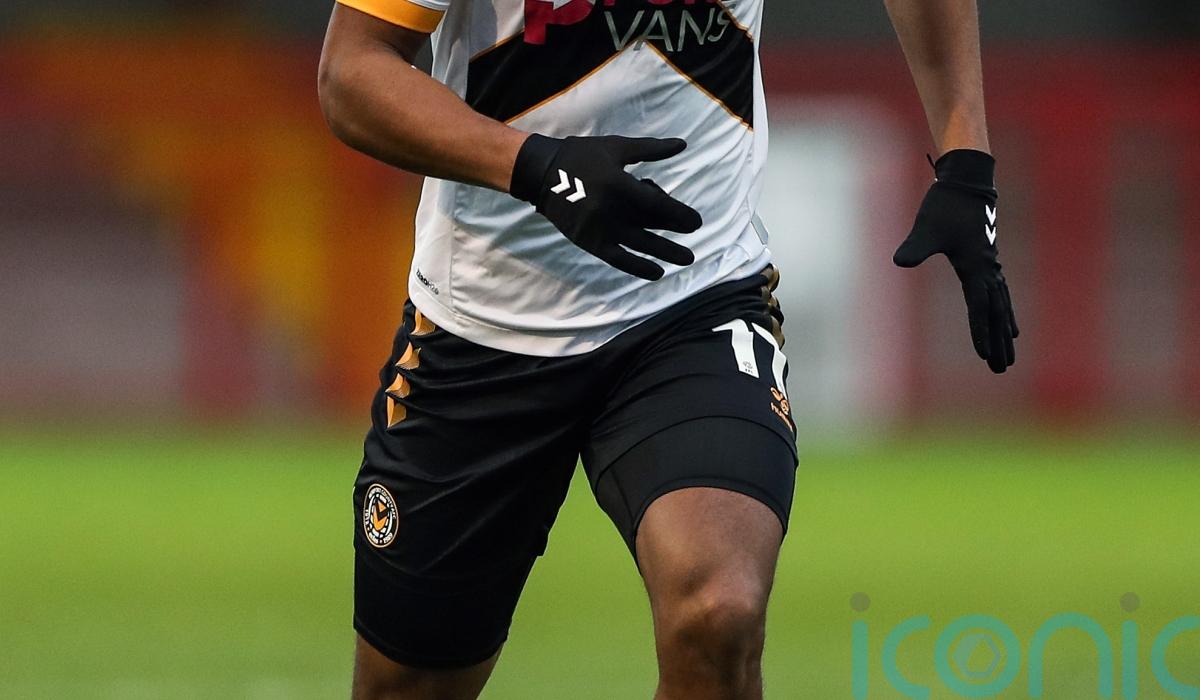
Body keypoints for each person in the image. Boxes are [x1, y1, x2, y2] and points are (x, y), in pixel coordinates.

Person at [317, 0, 1017, 695]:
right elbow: (351, 72)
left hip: (695, 300)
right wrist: (534, 166)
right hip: (484, 324)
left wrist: (965, 158)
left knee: (719, 614)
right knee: (406, 685)